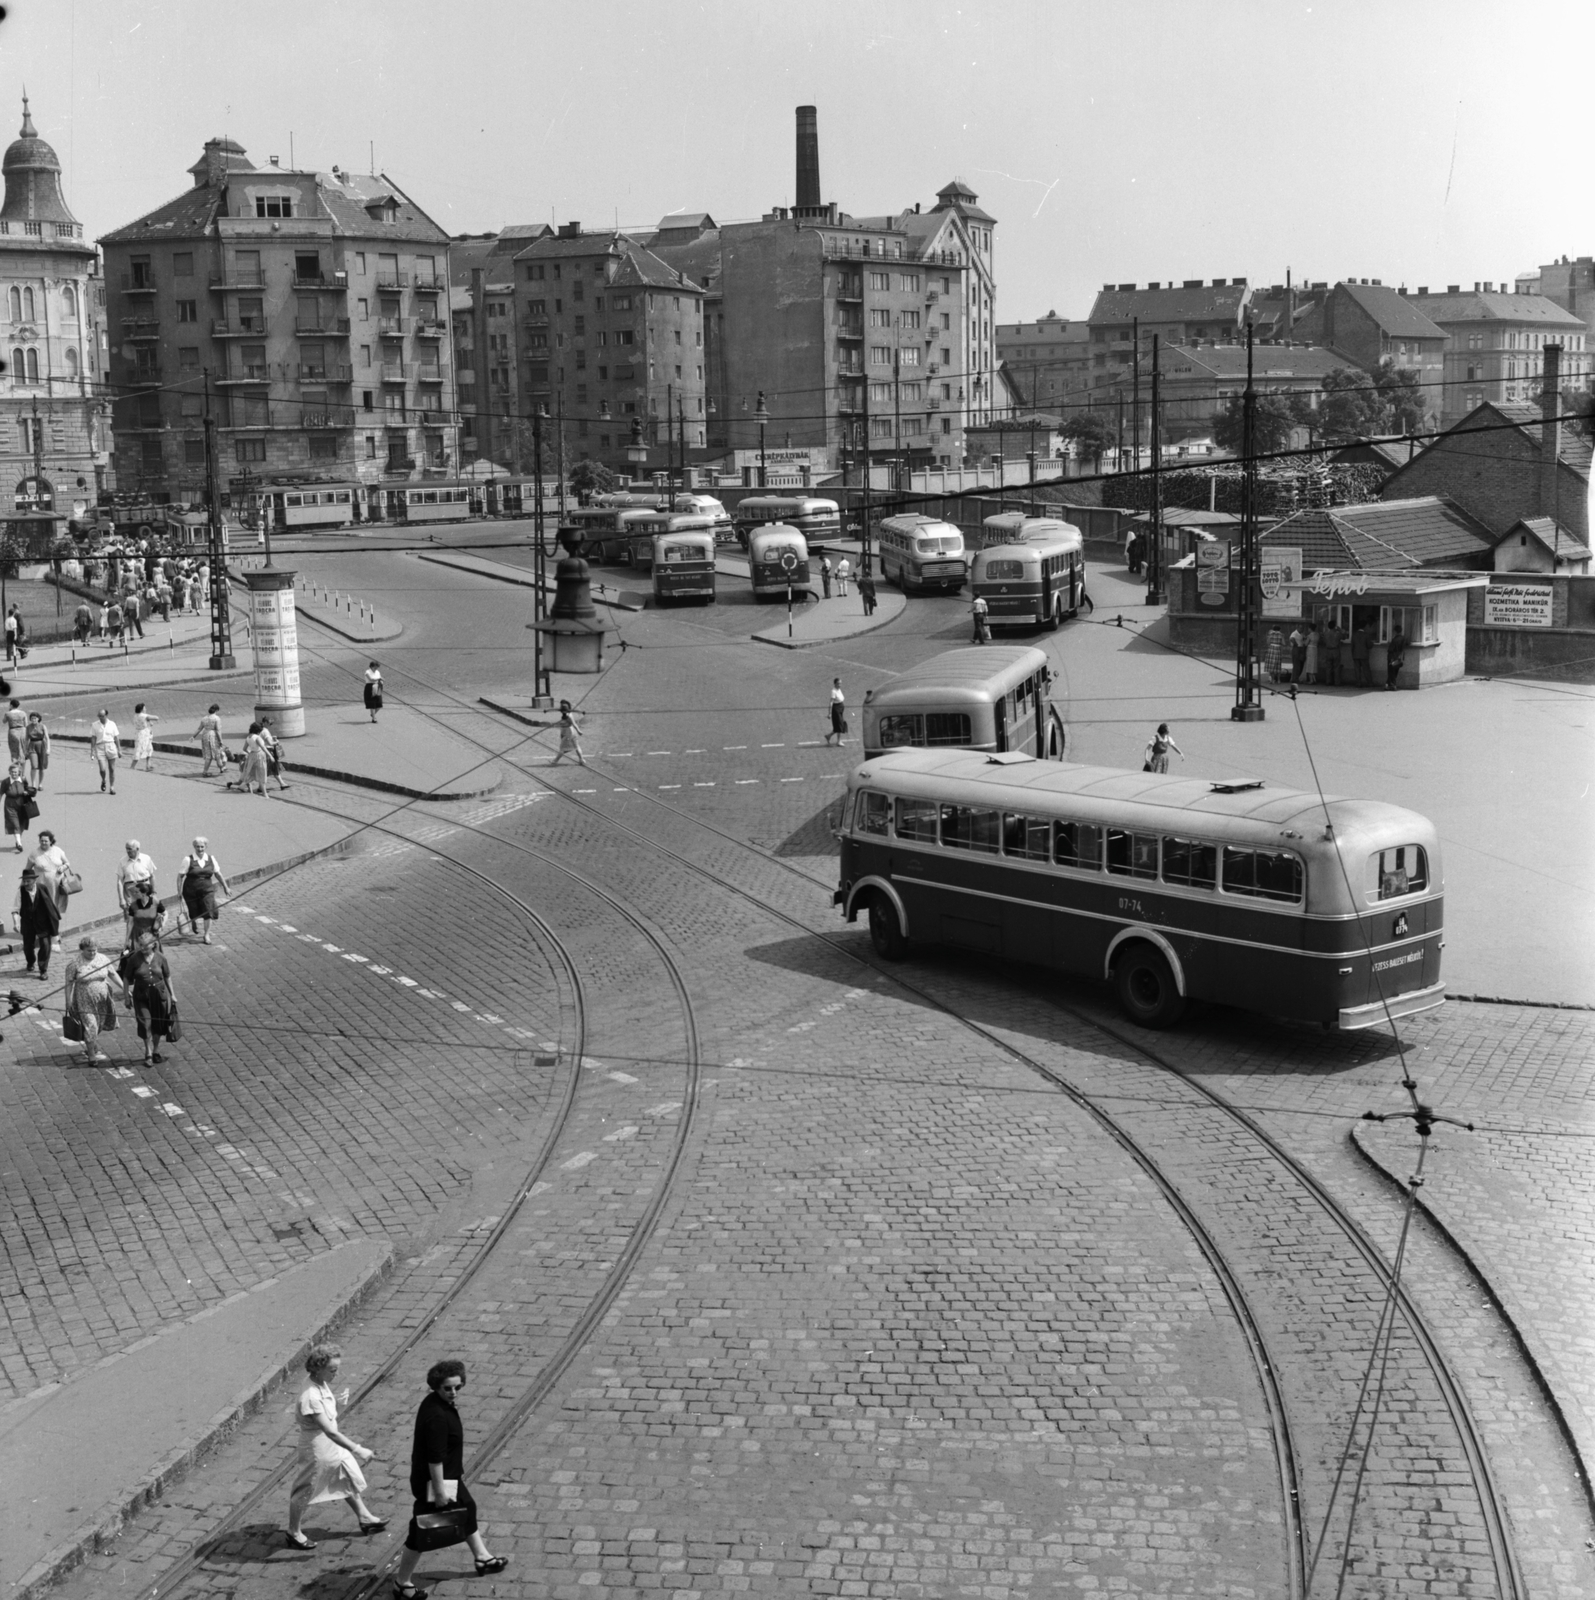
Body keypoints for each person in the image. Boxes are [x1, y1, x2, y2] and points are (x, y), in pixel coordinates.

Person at [392, 1359, 508, 1598]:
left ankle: (482, 1557)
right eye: (448, 1388)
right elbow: (434, 1459)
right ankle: (402, 1583)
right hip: (436, 1483)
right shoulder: (437, 1416)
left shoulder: (436, 1403)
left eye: (458, 1386)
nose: (453, 1392)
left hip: (449, 1478)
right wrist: (440, 1491)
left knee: (469, 1508)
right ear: (436, 1386)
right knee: (420, 1531)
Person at [285, 1343, 384, 1549]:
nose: (336, 1373)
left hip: (330, 1446)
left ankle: (364, 1516)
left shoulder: (319, 1381)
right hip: (318, 1449)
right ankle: (293, 1532)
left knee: (345, 1474)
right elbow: (329, 1431)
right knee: (306, 1488)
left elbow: (327, 1417)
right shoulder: (310, 1396)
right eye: (332, 1370)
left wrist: (337, 1403)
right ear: (318, 1368)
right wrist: (358, 1449)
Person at [118, 929, 176, 1066]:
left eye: (145, 945)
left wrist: (172, 995)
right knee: (145, 1023)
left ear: (153, 945)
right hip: (141, 996)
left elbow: (167, 976)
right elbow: (126, 978)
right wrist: (127, 996)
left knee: (158, 1024)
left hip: (159, 995)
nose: (142, 948)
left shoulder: (161, 958)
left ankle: (155, 1051)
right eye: (140, 945)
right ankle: (148, 1052)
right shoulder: (134, 959)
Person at [64, 934, 119, 1064]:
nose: (93, 953)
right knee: (91, 1025)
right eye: (89, 951)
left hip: (102, 1000)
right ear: (82, 950)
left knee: (99, 1024)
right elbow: (69, 983)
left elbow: (112, 973)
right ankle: (91, 1055)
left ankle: (91, 1041)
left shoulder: (103, 958)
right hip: (84, 1000)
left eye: (95, 950)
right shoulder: (75, 963)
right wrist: (68, 1000)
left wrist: (125, 989)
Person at [178, 836, 229, 943]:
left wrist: (225, 887)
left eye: (202, 847)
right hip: (191, 890)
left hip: (207, 889)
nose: (200, 849)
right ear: (194, 847)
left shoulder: (211, 859)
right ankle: (193, 920)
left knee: (208, 911)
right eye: (197, 847)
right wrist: (179, 892)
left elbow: (218, 874)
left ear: (206, 846)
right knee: (194, 910)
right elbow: (180, 876)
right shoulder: (188, 859)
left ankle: (206, 935)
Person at [14, 864, 60, 978]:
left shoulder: (42, 888)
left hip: (42, 923)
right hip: (27, 923)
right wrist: (16, 923)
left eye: (28, 881)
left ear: (34, 880)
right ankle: (30, 961)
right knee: (27, 947)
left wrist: (52, 923)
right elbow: (15, 909)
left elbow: (50, 906)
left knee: (45, 945)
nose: (25, 884)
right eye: (24, 881)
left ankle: (43, 969)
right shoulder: (21, 892)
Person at [28, 830, 71, 915]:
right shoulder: (34, 853)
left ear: (51, 841)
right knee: (43, 904)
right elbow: (27, 869)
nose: (43, 843)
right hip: (42, 885)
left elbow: (67, 863)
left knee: (55, 903)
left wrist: (62, 867)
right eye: (41, 840)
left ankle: (53, 921)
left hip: (57, 884)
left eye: (46, 841)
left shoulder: (58, 851)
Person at [116, 839, 157, 927]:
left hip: (145, 892)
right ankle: (132, 939)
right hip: (130, 894)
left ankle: (151, 938)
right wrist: (121, 899)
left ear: (137, 849)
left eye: (130, 849)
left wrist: (154, 892)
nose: (128, 851)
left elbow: (152, 876)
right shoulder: (122, 861)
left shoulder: (146, 858)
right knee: (131, 919)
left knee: (149, 916)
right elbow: (119, 881)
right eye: (126, 848)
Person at [1, 761, 36, 853]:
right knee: (15, 824)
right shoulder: (5, 782)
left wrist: (27, 792)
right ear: (9, 772)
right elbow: (0, 793)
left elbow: (28, 788)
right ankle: (19, 844)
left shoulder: (23, 780)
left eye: (15, 772)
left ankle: (18, 840)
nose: (14, 774)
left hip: (22, 804)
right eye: (12, 772)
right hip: (10, 805)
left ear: (19, 772)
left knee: (22, 824)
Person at [124, 879, 167, 949]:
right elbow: (130, 923)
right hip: (137, 935)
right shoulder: (133, 905)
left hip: (152, 934)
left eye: (136, 892)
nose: (134, 894)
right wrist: (127, 939)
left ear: (144, 893)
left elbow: (165, 913)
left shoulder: (155, 902)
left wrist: (162, 925)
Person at [90, 708, 121, 793]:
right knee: (102, 769)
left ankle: (112, 787)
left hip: (111, 746)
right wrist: (92, 750)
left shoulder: (112, 724)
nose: (100, 717)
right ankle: (103, 780)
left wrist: (119, 750)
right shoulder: (94, 725)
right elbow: (93, 738)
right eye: (99, 716)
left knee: (112, 768)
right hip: (100, 747)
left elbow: (116, 737)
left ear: (106, 715)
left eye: (102, 716)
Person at [236, 722, 271, 796]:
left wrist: (250, 753)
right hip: (259, 755)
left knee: (251, 772)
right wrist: (270, 756)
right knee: (262, 773)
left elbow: (244, 749)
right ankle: (265, 794)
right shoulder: (257, 737)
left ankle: (247, 788)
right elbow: (263, 747)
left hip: (252, 755)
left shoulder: (248, 737)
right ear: (258, 730)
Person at [195, 704, 227, 780]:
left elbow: (199, 729)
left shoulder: (204, 718)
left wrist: (193, 736)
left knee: (208, 755)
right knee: (217, 753)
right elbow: (218, 730)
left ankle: (205, 771)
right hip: (213, 736)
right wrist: (221, 740)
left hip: (205, 736)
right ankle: (221, 767)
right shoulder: (217, 718)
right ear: (216, 710)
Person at [550, 700, 585, 766]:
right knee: (576, 746)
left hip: (569, 733)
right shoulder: (568, 713)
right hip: (571, 732)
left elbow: (574, 724)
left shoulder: (568, 715)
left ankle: (555, 761)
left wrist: (579, 731)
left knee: (562, 748)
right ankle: (581, 760)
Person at [259, 715, 289, 790]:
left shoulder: (261, 730)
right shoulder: (265, 731)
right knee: (269, 769)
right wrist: (276, 742)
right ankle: (259, 787)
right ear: (265, 722)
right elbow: (269, 743)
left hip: (264, 751)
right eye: (270, 723)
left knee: (271, 768)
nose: (270, 725)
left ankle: (282, 784)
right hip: (268, 752)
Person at [24, 712, 49, 789]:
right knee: (34, 766)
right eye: (32, 718)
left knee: (41, 767)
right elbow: (26, 739)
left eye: (35, 718)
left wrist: (48, 749)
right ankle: (33, 784)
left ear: (38, 719)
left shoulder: (43, 726)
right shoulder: (28, 727)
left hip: (42, 746)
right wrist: (25, 750)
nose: (33, 719)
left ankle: (40, 784)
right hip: (32, 746)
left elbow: (47, 738)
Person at [132, 702, 159, 773]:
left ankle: (148, 765)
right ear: (142, 709)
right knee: (139, 750)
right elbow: (156, 718)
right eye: (144, 708)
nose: (145, 709)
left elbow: (147, 722)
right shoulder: (143, 716)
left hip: (141, 734)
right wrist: (147, 715)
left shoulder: (136, 715)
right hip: (143, 735)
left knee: (148, 748)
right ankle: (132, 766)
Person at [1319, 616, 1342, 687]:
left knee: (1328, 667)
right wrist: (1340, 630)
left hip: (1328, 651)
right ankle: (1337, 682)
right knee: (1336, 667)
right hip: (1335, 651)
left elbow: (1323, 641)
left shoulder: (1326, 634)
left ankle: (1328, 681)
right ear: (1334, 626)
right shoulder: (1337, 633)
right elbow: (1344, 637)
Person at [824, 677, 846, 747]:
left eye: (840, 683)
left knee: (839, 725)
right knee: (839, 725)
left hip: (840, 709)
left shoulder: (838, 689)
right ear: (835, 684)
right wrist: (829, 713)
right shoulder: (833, 691)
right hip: (836, 710)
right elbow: (831, 702)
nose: (840, 685)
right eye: (838, 683)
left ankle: (828, 736)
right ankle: (838, 741)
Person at [1351, 621, 1372, 687]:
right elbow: (1369, 645)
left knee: (1357, 669)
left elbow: (1352, 646)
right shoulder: (1366, 635)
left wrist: (1353, 654)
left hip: (1356, 654)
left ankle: (1358, 683)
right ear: (1365, 627)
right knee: (1366, 669)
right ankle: (1369, 683)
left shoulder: (1354, 635)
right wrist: (1372, 643)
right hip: (1364, 655)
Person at [4, 698, 24, 765]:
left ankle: (15, 768)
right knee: (22, 750)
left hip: (13, 731)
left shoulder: (8, 713)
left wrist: (9, 711)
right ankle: (22, 773)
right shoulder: (23, 713)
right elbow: (26, 724)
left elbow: (4, 721)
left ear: (11, 705)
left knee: (14, 750)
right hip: (22, 731)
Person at [1386, 625, 1407, 690]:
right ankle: (1388, 684)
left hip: (1392, 657)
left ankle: (1392, 685)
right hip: (1399, 657)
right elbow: (1406, 644)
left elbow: (1390, 649)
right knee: (1395, 671)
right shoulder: (1403, 638)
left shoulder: (1394, 640)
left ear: (1395, 631)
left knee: (1391, 671)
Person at [1302, 623, 1319, 687]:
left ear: (1310, 628)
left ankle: (1311, 680)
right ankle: (1314, 679)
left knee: (1309, 664)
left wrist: (1304, 640)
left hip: (1310, 649)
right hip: (1315, 649)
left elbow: (1306, 644)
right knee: (1314, 663)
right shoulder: (1317, 635)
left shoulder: (1309, 636)